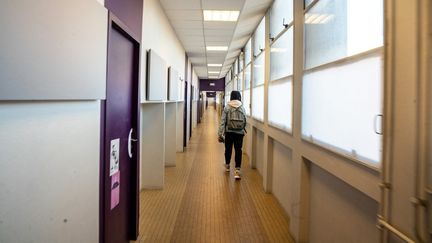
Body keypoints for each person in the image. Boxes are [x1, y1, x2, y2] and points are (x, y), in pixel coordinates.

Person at [218, 91, 247, 179]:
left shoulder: (227, 107)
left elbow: (222, 121)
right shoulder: (242, 107)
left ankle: (227, 165)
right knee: (238, 150)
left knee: (228, 149)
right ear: (239, 97)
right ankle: (237, 170)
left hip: (229, 132)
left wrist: (220, 134)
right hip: (240, 133)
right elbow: (245, 120)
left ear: (231, 97)